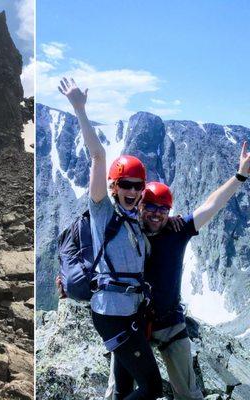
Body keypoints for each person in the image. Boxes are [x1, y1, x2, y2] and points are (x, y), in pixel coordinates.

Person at [109, 142, 250, 400]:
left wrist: (240, 175)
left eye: (163, 209)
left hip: (171, 324)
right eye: (151, 206)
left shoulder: (178, 231)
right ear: (139, 205)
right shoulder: (127, 231)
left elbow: (211, 205)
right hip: (134, 324)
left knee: (189, 395)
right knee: (121, 393)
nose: (157, 214)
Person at [59, 77, 163, 400]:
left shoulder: (134, 220)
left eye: (138, 185)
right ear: (114, 187)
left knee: (125, 387)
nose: (133, 191)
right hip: (112, 312)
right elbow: (98, 156)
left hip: (127, 311)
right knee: (152, 386)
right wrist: (79, 108)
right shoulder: (103, 211)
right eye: (126, 184)